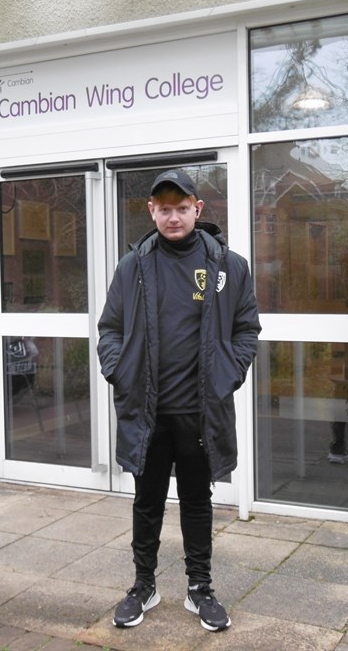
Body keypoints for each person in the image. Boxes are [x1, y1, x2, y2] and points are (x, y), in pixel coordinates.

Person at [97, 169, 261, 632]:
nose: (173, 217)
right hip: (147, 412)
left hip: (199, 412)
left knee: (196, 500)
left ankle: (200, 588)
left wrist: (229, 374)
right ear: (151, 211)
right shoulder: (133, 266)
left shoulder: (228, 265)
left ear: (198, 209)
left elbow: (247, 329)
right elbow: (109, 328)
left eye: (181, 208)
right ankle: (143, 585)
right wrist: (119, 372)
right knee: (146, 501)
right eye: (163, 209)